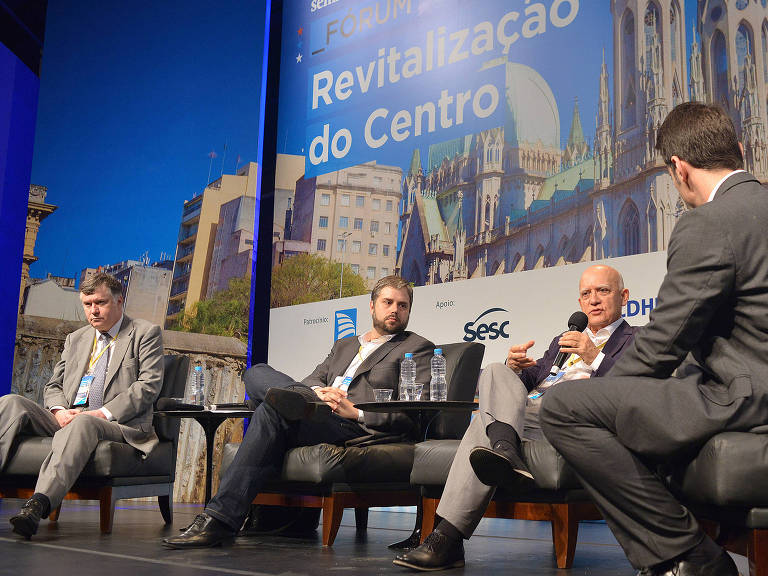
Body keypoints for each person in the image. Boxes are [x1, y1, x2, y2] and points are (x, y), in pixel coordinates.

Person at [539, 102, 768, 576]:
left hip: (746, 396)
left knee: (564, 407)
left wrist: (602, 396)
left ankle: (685, 555)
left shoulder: (708, 222)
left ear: (678, 169)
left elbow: (663, 343)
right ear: (740, 150)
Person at [394, 264, 637, 571]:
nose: (594, 300)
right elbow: (534, 379)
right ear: (579, 302)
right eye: (586, 294)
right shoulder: (562, 340)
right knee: (497, 370)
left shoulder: (637, 339)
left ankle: (447, 538)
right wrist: (516, 368)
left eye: (603, 291)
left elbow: (636, 389)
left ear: (623, 296)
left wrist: (594, 356)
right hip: (530, 413)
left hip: (574, 417)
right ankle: (506, 451)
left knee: (484, 424)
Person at [163, 275, 434, 549]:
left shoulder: (417, 348)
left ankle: (218, 521)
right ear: (372, 305)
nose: (395, 310)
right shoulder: (345, 345)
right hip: (318, 411)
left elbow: (414, 410)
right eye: (388, 302)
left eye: (402, 305)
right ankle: (295, 400)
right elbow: (313, 379)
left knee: (270, 409)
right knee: (257, 372)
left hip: (353, 425)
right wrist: (317, 393)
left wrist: (356, 412)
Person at [1, 272, 164, 538]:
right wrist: (59, 411)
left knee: (86, 421)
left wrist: (100, 413)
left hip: (117, 424)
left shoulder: (145, 333)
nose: (93, 310)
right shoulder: (76, 339)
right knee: (10, 403)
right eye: (87, 304)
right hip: (69, 417)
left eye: (100, 302)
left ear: (119, 301)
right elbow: (53, 385)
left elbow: (148, 386)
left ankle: (37, 504)